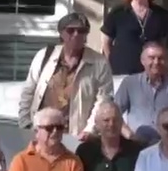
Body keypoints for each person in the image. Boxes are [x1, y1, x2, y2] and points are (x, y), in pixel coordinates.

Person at [18, 12, 113, 141]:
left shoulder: (99, 63)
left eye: (81, 31)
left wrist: (89, 130)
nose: (76, 35)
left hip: (76, 137)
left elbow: (103, 101)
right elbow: (28, 91)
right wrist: (26, 124)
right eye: (70, 30)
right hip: (41, 134)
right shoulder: (45, 56)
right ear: (61, 33)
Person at [114, 43, 168, 145]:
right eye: (151, 58)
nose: (156, 62)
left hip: (166, 143)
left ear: (167, 61)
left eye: (161, 58)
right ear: (143, 61)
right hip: (135, 143)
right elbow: (114, 112)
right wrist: (128, 134)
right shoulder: (129, 83)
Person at [103, 0, 168, 76]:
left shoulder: (162, 14)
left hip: (152, 75)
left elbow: (165, 45)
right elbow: (105, 43)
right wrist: (110, 65)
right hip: (122, 73)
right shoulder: (118, 13)